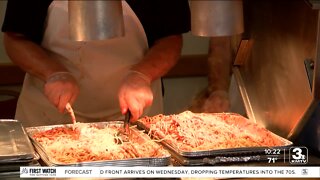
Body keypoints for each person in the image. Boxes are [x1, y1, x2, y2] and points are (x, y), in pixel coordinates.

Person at [1, 0, 190, 127]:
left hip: (132, 119)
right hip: (49, 118)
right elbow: (15, 38)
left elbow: (170, 38)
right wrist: (53, 73)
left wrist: (142, 75)